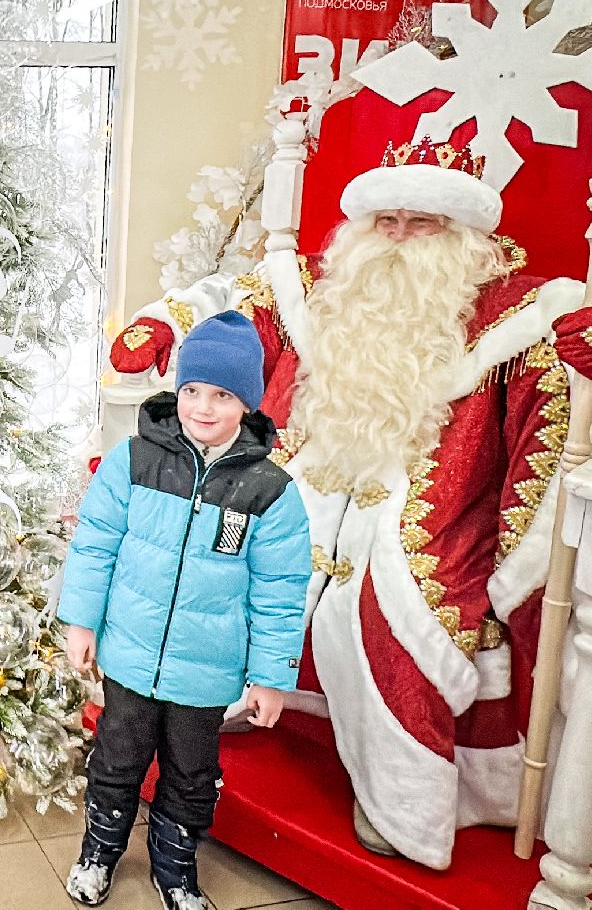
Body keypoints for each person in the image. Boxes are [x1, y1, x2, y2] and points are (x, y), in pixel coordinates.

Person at [107, 141, 584, 869]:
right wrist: (167, 327)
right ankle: (215, 702)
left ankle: (402, 802)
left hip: (421, 515)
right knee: (221, 552)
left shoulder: (514, 317)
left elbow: (554, 412)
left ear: (460, 234)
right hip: (308, 480)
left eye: (417, 222)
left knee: (383, 615)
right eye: (383, 218)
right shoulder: (325, 287)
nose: (394, 235)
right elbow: (239, 301)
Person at [62, 312, 311, 909]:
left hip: (204, 672)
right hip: (129, 652)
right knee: (117, 760)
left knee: (192, 775)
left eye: (223, 395)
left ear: (246, 404)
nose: (203, 406)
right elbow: (94, 544)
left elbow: (280, 589)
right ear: (177, 389)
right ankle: (99, 853)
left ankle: (174, 870)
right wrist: (81, 621)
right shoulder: (131, 462)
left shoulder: (269, 492)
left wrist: (271, 678)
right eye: (193, 390)